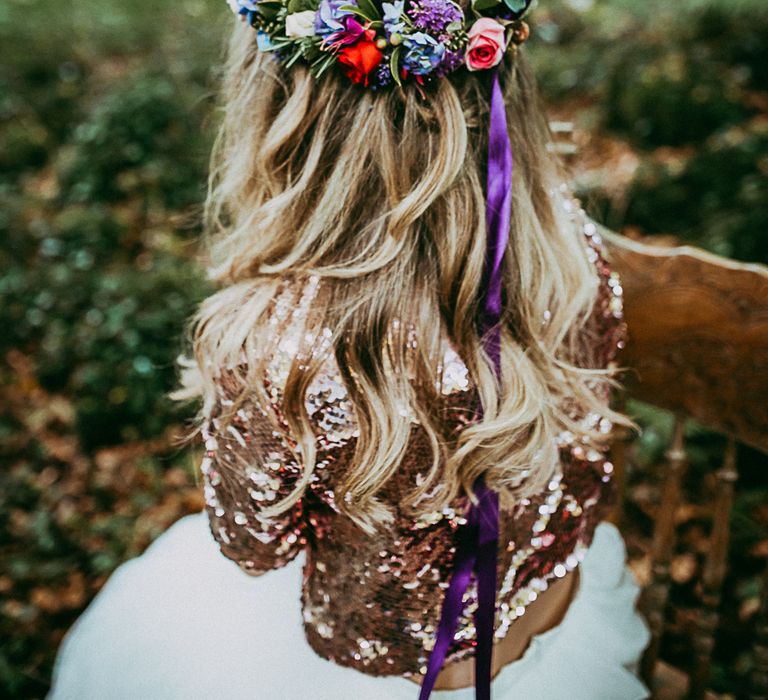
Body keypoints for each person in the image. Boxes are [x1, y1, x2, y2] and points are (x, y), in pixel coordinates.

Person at [49, 0, 651, 697]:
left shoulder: (278, 352)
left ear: (283, 111)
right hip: (553, 620)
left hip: (374, 677)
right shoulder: (567, 251)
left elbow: (253, 548)